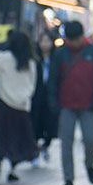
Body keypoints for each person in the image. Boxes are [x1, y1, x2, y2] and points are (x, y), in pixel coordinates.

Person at [48, 21, 93, 185]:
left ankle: (89, 165)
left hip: (88, 105)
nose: (72, 43)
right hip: (66, 105)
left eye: (75, 39)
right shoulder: (61, 53)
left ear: (82, 37)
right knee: (66, 143)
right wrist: (53, 101)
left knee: (90, 140)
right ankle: (68, 179)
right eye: (70, 40)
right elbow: (53, 79)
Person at [0, 30, 38, 182]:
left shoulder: (1, 58)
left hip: (3, 103)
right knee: (18, 139)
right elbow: (33, 83)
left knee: (2, 136)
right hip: (21, 106)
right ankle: (12, 169)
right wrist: (25, 97)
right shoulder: (29, 62)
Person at [31, 32, 58, 162]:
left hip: (51, 97)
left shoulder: (56, 58)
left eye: (48, 41)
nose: (45, 44)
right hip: (36, 97)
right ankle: (35, 151)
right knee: (35, 124)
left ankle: (45, 145)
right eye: (43, 41)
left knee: (51, 125)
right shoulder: (34, 59)